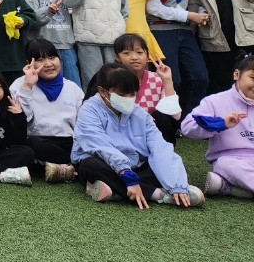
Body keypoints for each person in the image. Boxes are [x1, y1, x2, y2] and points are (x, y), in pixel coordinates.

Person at [71, 62, 202, 207]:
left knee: (162, 165)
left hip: (135, 166)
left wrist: (177, 185)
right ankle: (158, 195)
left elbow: (159, 146)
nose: (128, 99)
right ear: (102, 91)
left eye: (132, 94)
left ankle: (114, 192)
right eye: (121, 94)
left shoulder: (139, 113)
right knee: (90, 165)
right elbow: (100, 145)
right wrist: (128, 176)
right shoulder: (89, 110)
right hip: (106, 164)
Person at [144, 0, 209, 113]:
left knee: (199, 76)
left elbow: (195, 3)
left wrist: (201, 14)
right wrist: (189, 16)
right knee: (172, 79)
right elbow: (153, 8)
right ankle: (170, 119)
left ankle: (189, 118)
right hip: (160, 32)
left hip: (187, 31)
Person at [180, 53, 254, 199]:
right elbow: (187, 127)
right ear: (237, 75)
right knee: (225, 164)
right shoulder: (215, 101)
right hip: (232, 160)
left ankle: (228, 188)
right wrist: (220, 124)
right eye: (253, 78)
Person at [10, 39, 81, 181]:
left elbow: (82, 123)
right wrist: (28, 87)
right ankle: (71, 166)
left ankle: (62, 166)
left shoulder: (72, 88)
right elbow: (22, 120)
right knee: (29, 147)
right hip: (37, 140)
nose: (48, 64)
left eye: (52, 57)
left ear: (59, 60)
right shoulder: (19, 85)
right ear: (28, 64)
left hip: (68, 142)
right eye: (40, 59)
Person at [113, 33, 181, 142]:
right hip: (124, 132)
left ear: (147, 56)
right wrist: (142, 117)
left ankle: (163, 154)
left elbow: (175, 115)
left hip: (153, 131)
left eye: (140, 52)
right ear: (117, 57)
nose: (134, 57)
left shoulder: (158, 79)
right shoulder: (113, 80)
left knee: (162, 116)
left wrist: (168, 81)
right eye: (126, 53)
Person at [24, 0, 79, 84]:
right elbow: (31, 20)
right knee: (50, 83)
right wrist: (48, 10)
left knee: (72, 83)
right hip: (46, 49)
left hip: (67, 46)